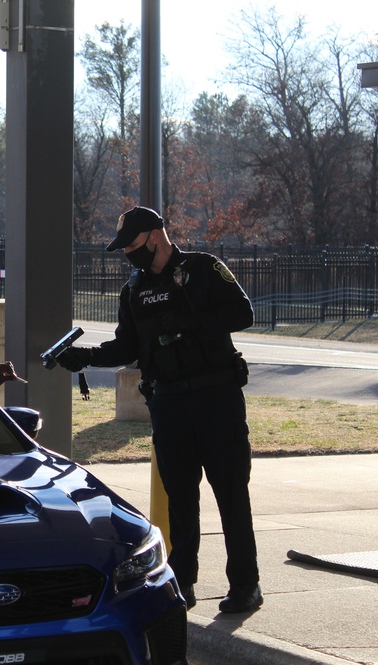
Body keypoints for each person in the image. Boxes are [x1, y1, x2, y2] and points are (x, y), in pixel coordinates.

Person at [58, 206, 261, 614]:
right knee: (181, 502)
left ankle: (245, 586)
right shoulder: (133, 289)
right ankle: (182, 585)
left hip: (216, 399)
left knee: (231, 497)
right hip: (168, 404)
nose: (128, 253)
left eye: (132, 244)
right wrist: (84, 357)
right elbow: (126, 347)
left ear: (155, 236)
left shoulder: (203, 269)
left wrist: (188, 319)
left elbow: (244, 313)